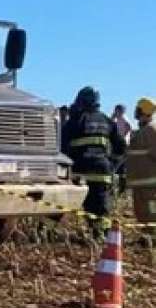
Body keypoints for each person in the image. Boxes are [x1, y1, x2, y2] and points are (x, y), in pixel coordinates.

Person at [63, 86, 126, 232]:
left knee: (63, 204)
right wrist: (112, 165)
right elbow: (121, 148)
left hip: (80, 173)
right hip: (102, 172)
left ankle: (45, 233)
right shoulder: (107, 121)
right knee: (100, 210)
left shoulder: (76, 120)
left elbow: (63, 146)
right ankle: (102, 237)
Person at [128, 97, 156, 223]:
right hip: (139, 185)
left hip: (149, 187)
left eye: (138, 110)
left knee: (152, 218)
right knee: (143, 219)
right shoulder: (141, 131)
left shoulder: (151, 130)